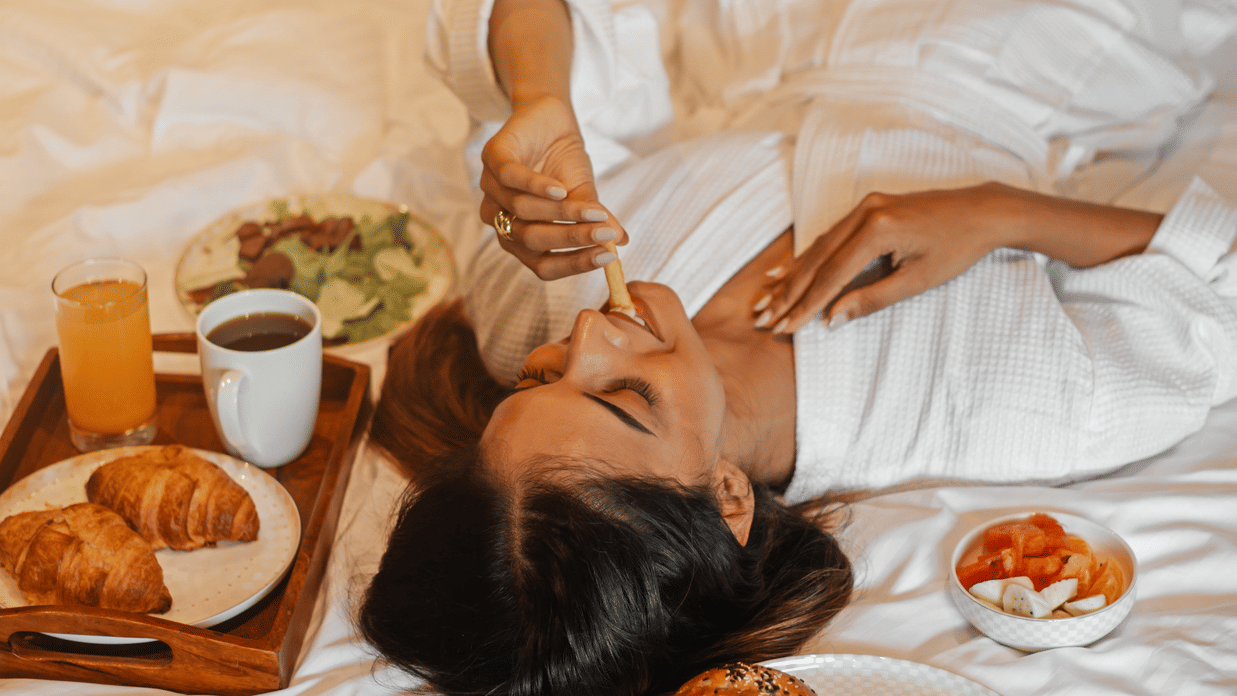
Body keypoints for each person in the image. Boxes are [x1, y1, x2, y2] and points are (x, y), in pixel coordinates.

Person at [358, 1, 1237, 696]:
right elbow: (1221, 269)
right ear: (726, 495)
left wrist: (535, 103)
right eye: (622, 397)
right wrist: (1001, 212)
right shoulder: (1003, 405)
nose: (584, 335)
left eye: (537, 380)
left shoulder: (530, 296)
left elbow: (529, 36)